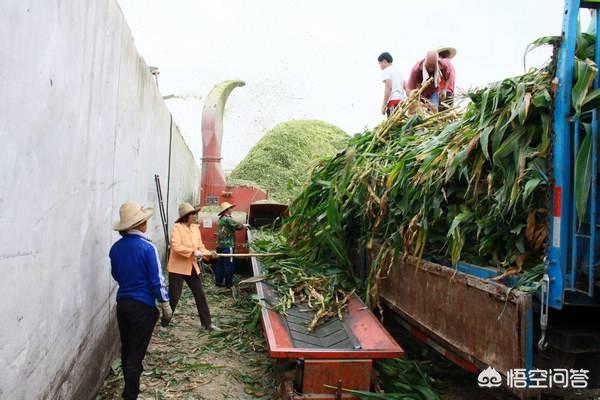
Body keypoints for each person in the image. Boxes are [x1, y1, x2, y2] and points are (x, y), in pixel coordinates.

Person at [109, 201, 172, 400]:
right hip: (142, 306)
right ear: (140, 224)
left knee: (127, 348)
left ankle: (130, 387)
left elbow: (116, 274)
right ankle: (130, 394)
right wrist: (165, 304)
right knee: (136, 353)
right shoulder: (147, 247)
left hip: (123, 304)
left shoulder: (116, 248)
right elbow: (157, 279)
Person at [166, 202, 220, 331]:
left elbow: (200, 246)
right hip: (177, 268)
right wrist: (192, 252)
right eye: (193, 214)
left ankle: (207, 324)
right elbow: (177, 246)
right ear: (186, 216)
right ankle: (164, 322)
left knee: (200, 294)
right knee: (174, 297)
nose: (195, 216)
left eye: (195, 213)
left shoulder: (195, 228)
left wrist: (209, 253)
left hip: (191, 267)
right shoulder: (177, 228)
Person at [215, 202, 246, 289]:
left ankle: (218, 282)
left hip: (220, 246)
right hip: (228, 246)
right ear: (227, 210)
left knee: (219, 264)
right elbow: (237, 226)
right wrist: (244, 226)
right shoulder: (228, 219)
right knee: (229, 265)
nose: (231, 210)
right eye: (230, 209)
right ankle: (229, 284)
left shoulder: (220, 219)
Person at [377, 52, 406, 117]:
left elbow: (388, 88)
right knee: (400, 124)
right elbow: (406, 87)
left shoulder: (386, 71)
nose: (380, 66)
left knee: (393, 125)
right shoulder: (398, 72)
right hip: (401, 101)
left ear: (384, 61)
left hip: (393, 101)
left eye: (379, 63)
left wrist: (384, 105)